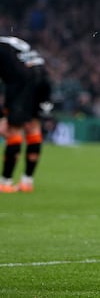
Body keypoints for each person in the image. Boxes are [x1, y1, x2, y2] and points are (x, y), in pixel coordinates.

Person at [0, 36, 53, 193]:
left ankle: (5, 182)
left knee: (13, 131)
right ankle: (27, 182)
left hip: (22, 82)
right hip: (43, 78)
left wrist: (2, 116)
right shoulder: (9, 41)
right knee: (33, 128)